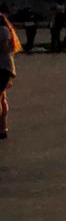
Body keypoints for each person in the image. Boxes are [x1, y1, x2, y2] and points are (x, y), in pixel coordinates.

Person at [0, 9, 18, 138]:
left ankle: (1, 128)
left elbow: (2, 47)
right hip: (5, 68)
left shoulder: (2, 31)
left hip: (2, 68)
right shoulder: (6, 30)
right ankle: (3, 128)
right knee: (2, 98)